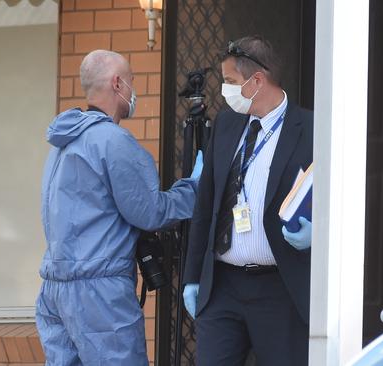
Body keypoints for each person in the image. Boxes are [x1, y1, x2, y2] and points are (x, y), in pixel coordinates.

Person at [36, 49, 203, 366]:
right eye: (132, 81)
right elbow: (150, 211)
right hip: (99, 297)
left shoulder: (63, 143)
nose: (133, 89)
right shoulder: (111, 141)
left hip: (55, 291)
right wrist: (194, 187)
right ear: (117, 83)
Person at [182, 36, 314, 365]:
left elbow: (335, 197)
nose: (225, 90)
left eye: (230, 82)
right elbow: (205, 206)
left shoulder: (310, 128)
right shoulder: (227, 124)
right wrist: (192, 276)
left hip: (279, 289)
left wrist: (320, 230)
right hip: (223, 286)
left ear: (257, 80)